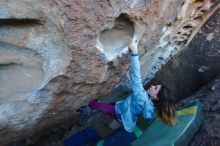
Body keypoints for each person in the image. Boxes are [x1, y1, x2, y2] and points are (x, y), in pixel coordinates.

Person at [84, 40, 176, 132]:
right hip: (124, 112)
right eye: (156, 86)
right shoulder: (151, 106)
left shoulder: (142, 98)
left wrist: (134, 52)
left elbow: (136, 78)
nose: (152, 86)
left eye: (155, 88)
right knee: (111, 105)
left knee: (94, 104)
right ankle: (102, 108)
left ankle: (87, 109)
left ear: (155, 97)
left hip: (120, 113)